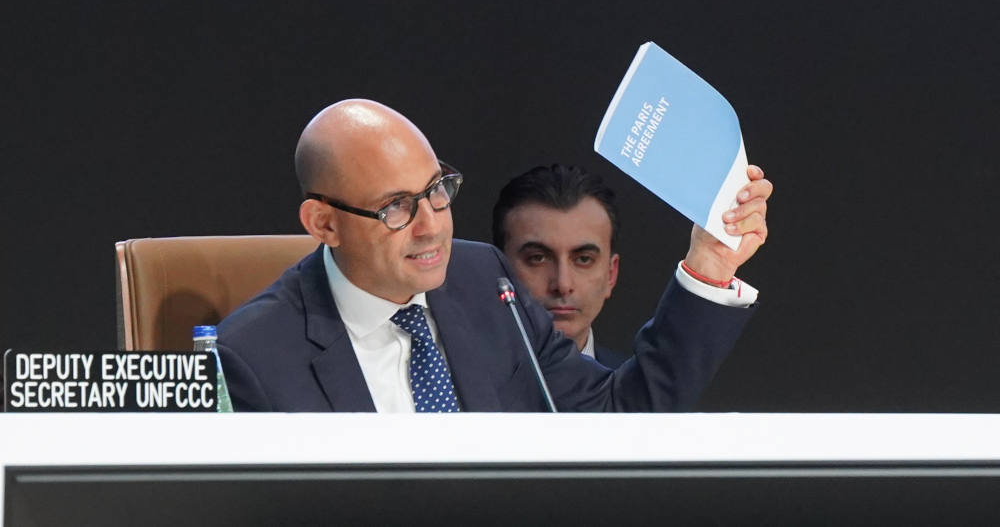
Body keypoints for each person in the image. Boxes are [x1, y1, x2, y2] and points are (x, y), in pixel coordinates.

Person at [217, 98, 772, 412]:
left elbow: (615, 416)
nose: (433, 228)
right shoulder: (253, 357)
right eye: (396, 208)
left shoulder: (483, 281)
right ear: (324, 223)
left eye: (437, 190)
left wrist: (710, 265)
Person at [490, 165, 629, 367]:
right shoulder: (450, 387)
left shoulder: (640, 394)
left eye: (583, 259)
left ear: (611, 274)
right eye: (538, 258)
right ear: (497, 268)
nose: (562, 284)